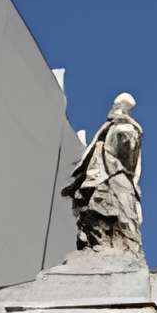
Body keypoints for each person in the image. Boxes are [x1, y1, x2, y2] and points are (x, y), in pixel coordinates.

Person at [64, 92, 144, 256]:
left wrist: (126, 127)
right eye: (118, 106)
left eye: (121, 107)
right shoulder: (112, 129)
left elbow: (126, 149)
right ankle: (102, 248)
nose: (117, 110)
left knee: (123, 218)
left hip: (116, 177)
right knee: (95, 213)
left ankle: (122, 251)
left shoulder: (126, 128)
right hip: (102, 176)